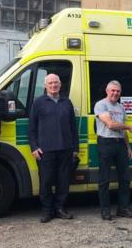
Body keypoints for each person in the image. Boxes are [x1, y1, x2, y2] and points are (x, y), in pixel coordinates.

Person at [29, 74, 79, 223]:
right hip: (45, 150)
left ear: (60, 84)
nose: (53, 85)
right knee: (46, 182)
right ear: (45, 86)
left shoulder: (67, 102)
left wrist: (75, 147)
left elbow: (73, 127)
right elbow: (32, 128)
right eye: (50, 83)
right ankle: (47, 211)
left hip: (65, 149)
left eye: (56, 82)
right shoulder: (38, 103)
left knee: (63, 181)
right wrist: (34, 147)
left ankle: (60, 209)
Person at [94, 80, 132, 221]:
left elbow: (122, 131)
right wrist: (130, 127)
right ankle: (105, 210)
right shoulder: (101, 105)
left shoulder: (120, 107)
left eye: (118, 91)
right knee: (104, 179)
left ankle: (123, 208)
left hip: (120, 144)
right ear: (107, 91)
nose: (115, 93)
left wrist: (128, 146)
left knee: (125, 179)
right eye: (112, 90)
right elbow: (111, 124)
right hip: (106, 142)